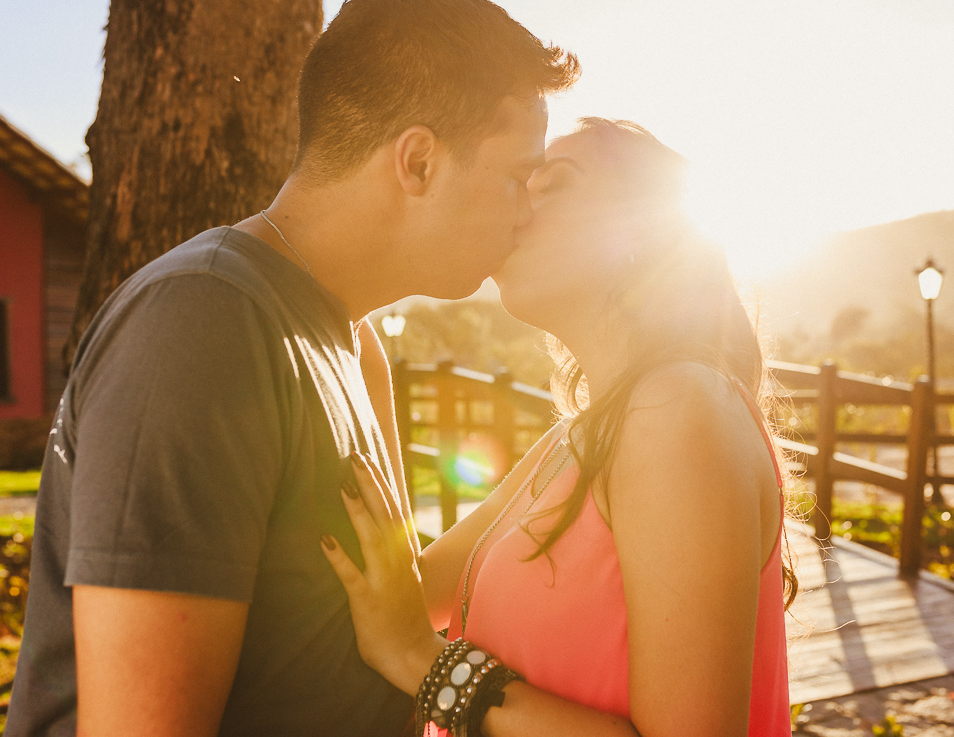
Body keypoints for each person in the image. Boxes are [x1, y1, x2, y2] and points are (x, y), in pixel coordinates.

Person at [7, 0, 578, 737]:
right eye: (515, 177)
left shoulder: (354, 345)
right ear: (417, 163)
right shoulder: (204, 322)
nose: (527, 209)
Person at [325, 118, 797, 736]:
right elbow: (407, 594)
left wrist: (424, 663)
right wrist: (365, 358)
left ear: (642, 233)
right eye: (522, 182)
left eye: (555, 184)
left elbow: (407, 636)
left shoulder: (680, 408)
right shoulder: (574, 438)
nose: (518, 205)